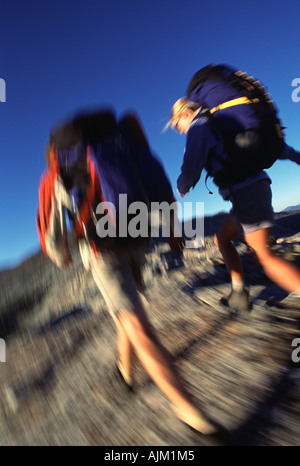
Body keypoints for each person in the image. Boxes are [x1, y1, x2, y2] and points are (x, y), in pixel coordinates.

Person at [37, 109, 217, 435]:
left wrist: (60, 254)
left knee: (134, 320)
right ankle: (126, 374)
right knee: (128, 308)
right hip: (137, 236)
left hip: (99, 246)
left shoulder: (58, 164)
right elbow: (157, 179)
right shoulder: (123, 142)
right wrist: (173, 228)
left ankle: (192, 415)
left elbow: (50, 225)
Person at [167, 88, 300, 313]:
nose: (180, 132)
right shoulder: (223, 122)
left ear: (184, 115)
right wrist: (296, 157)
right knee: (222, 239)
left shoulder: (199, 126)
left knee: (263, 254)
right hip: (251, 191)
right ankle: (239, 294)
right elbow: (266, 144)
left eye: (177, 126)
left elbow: (191, 168)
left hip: (246, 192)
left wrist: (182, 187)